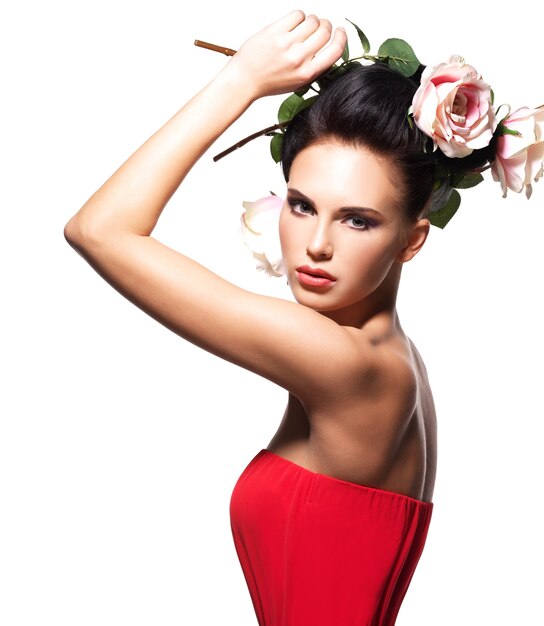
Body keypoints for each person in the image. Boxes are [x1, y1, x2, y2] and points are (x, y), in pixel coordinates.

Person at [64, 10, 440, 625]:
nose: (316, 244)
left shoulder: (342, 362)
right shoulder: (390, 358)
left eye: (357, 219)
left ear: (412, 239)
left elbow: (99, 229)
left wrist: (241, 81)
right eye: (301, 205)